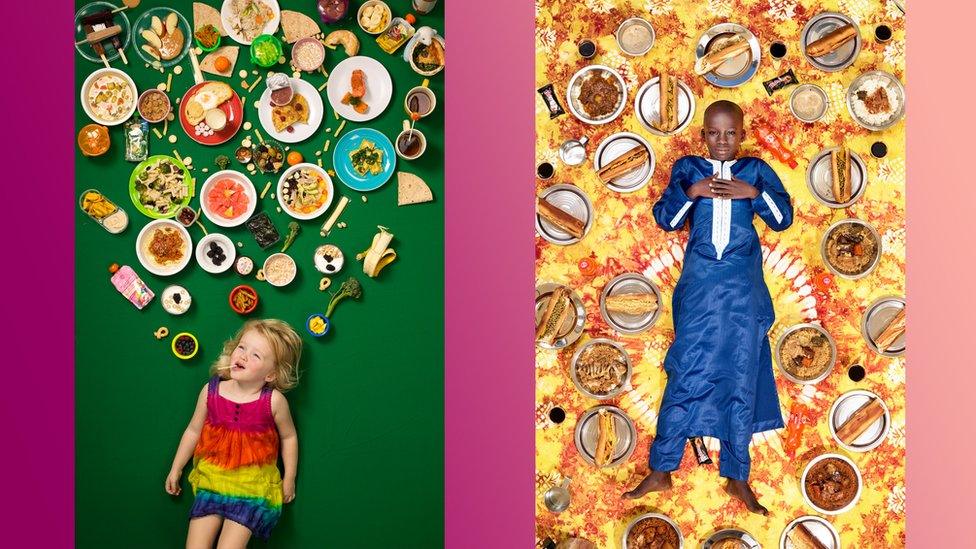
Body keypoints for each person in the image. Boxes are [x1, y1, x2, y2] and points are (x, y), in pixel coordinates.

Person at [622, 100, 793, 515]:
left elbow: (783, 218)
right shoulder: (688, 169)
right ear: (702, 136)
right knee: (685, 368)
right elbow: (666, 218)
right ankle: (662, 467)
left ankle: (737, 476)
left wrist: (753, 194)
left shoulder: (755, 170)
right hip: (699, 285)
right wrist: (692, 192)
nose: (722, 141)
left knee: (741, 371)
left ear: (742, 135)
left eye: (730, 133)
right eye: (714, 134)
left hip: (742, 286)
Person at [165, 319, 303, 547]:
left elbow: (289, 438)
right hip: (212, 480)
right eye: (242, 347)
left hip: (252, 488)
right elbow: (193, 430)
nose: (243, 356)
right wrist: (176, 467)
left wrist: (289, 478)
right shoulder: (211, 391)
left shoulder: (274, 402)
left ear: (271, 375)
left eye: (256, 355)